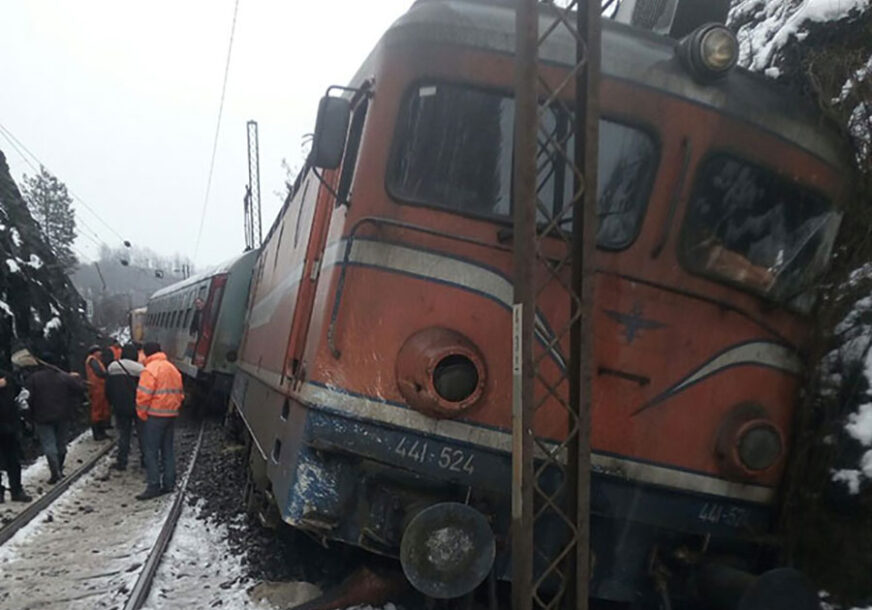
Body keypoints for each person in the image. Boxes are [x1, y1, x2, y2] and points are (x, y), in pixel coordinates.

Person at [25, 356, 85, 484]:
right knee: (61, 444)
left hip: (42, 416)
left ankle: (54, 471)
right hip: (64, 416)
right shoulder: (65, 376)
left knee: (49, 444)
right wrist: (76, 378)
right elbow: (80, 389)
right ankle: (59, 468)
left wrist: (29, 416)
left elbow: (28, 398)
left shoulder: (34, 378)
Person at [136, 342, 184, 500]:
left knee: (151, 452)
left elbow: (143, 396)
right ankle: (169, 483)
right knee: (167, 450)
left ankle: (153, 485)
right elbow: (181, 394)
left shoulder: (150, 370)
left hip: (155, 416)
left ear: (147, 354)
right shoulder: (172, 368)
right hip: (171, 415)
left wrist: (142, 414)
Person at [106, 344, 145, 471]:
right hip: (137, 406)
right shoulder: (140, 369)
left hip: (120, 406)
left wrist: (112, 402)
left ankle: (122, 462)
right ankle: (145, 460)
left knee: (123, 435)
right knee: (142, 435)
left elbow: (108, 388)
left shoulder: (112, 367)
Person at [0, 369, 32, 502]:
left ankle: (14, 491)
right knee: (12, 460)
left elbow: (22, 393)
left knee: (12, 460)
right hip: (9, 426)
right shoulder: (7, 378)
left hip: (9, 427)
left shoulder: (8, 378)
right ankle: (15, 490)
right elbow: (22, 394)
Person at [85, 345, 111, 440]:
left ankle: (101, 432)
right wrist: (108, 374)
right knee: (97, 410)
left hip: (100, 388)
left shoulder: (96, 360)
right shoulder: (92, 360)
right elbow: (99, 373)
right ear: (94, 352)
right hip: (96, 388)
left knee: (102, 410)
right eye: (98, 351)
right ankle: (97, 433)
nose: (101, 353)